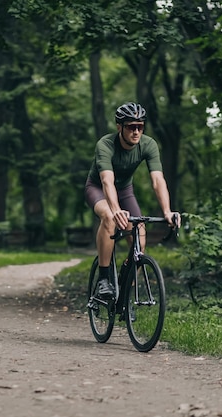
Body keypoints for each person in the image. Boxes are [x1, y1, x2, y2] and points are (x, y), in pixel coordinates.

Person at [84, 102, 181, 298]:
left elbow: (157, 180)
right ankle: (103, 279)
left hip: (125, 191)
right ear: (119, 127)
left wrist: (167, 211)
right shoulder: (105, 144)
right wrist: (116, 209)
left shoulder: (148, 144)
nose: (136, 131)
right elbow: (106, 180)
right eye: (131, 127)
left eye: (140, 126)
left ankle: (126, 290)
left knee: (139, 237)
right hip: (98, 188)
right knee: (110, 218)